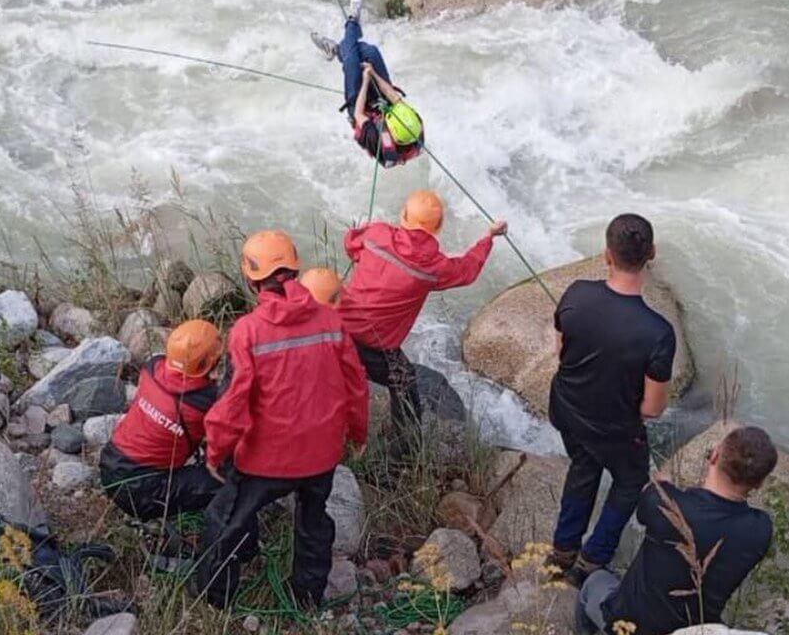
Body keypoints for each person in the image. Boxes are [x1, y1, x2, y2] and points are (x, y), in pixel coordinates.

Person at [197, 230, 369, 609]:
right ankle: (306, 597)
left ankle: (214, 599)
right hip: (322, 455)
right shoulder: (330, 320)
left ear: (251, 278)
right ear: (295, 269)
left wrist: (216, 452)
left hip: (266, 460)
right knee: (313, 521)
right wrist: (358, 432)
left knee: (224, 519)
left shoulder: (248, 331)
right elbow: (356, 384)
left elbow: (233, 401)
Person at [549, 213, 676, 585]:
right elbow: (652, 409)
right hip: (614, 428)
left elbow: (561, 352)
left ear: (607, 254)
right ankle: (593, 559)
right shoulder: (658, 333)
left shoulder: (576, 293)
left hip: (568, 411)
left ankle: (563, 549)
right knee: (629, 480)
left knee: (585, 464)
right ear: (651, 253)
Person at [576, 426, 779, 635]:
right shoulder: (761, 529)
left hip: (627, 622)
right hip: (694, 628)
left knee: (594, 582)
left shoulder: (665, 502)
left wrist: (662, 486)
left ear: (714, 456)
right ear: (759, 483)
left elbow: (645, 505)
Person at [341, 190, 507, 441]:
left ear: (403, 214)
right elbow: (467, 269)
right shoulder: (433, 268)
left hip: (338, 330)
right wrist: (489, 237)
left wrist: (363, 238)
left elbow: (351, 244)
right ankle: (402, 450)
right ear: (438, 227)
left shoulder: (377, 233)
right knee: (405, 384)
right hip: (377, 348)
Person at [99, 320, 224, 526]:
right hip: (144, 491)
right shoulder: (205, 403)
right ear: (208, 363)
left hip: (109, 466)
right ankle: (226, 551)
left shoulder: (152, 368)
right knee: (227, 482)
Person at [311, 0, 425, 167]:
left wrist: (365, 80)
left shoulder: (377, 140)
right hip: (382, 105)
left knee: (351, 61)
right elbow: (392, 95)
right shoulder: (415, 126)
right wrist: (373, 73)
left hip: (360, 111)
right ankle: (336, 49)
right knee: (370, 52)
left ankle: (352, 22)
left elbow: (358, 114)